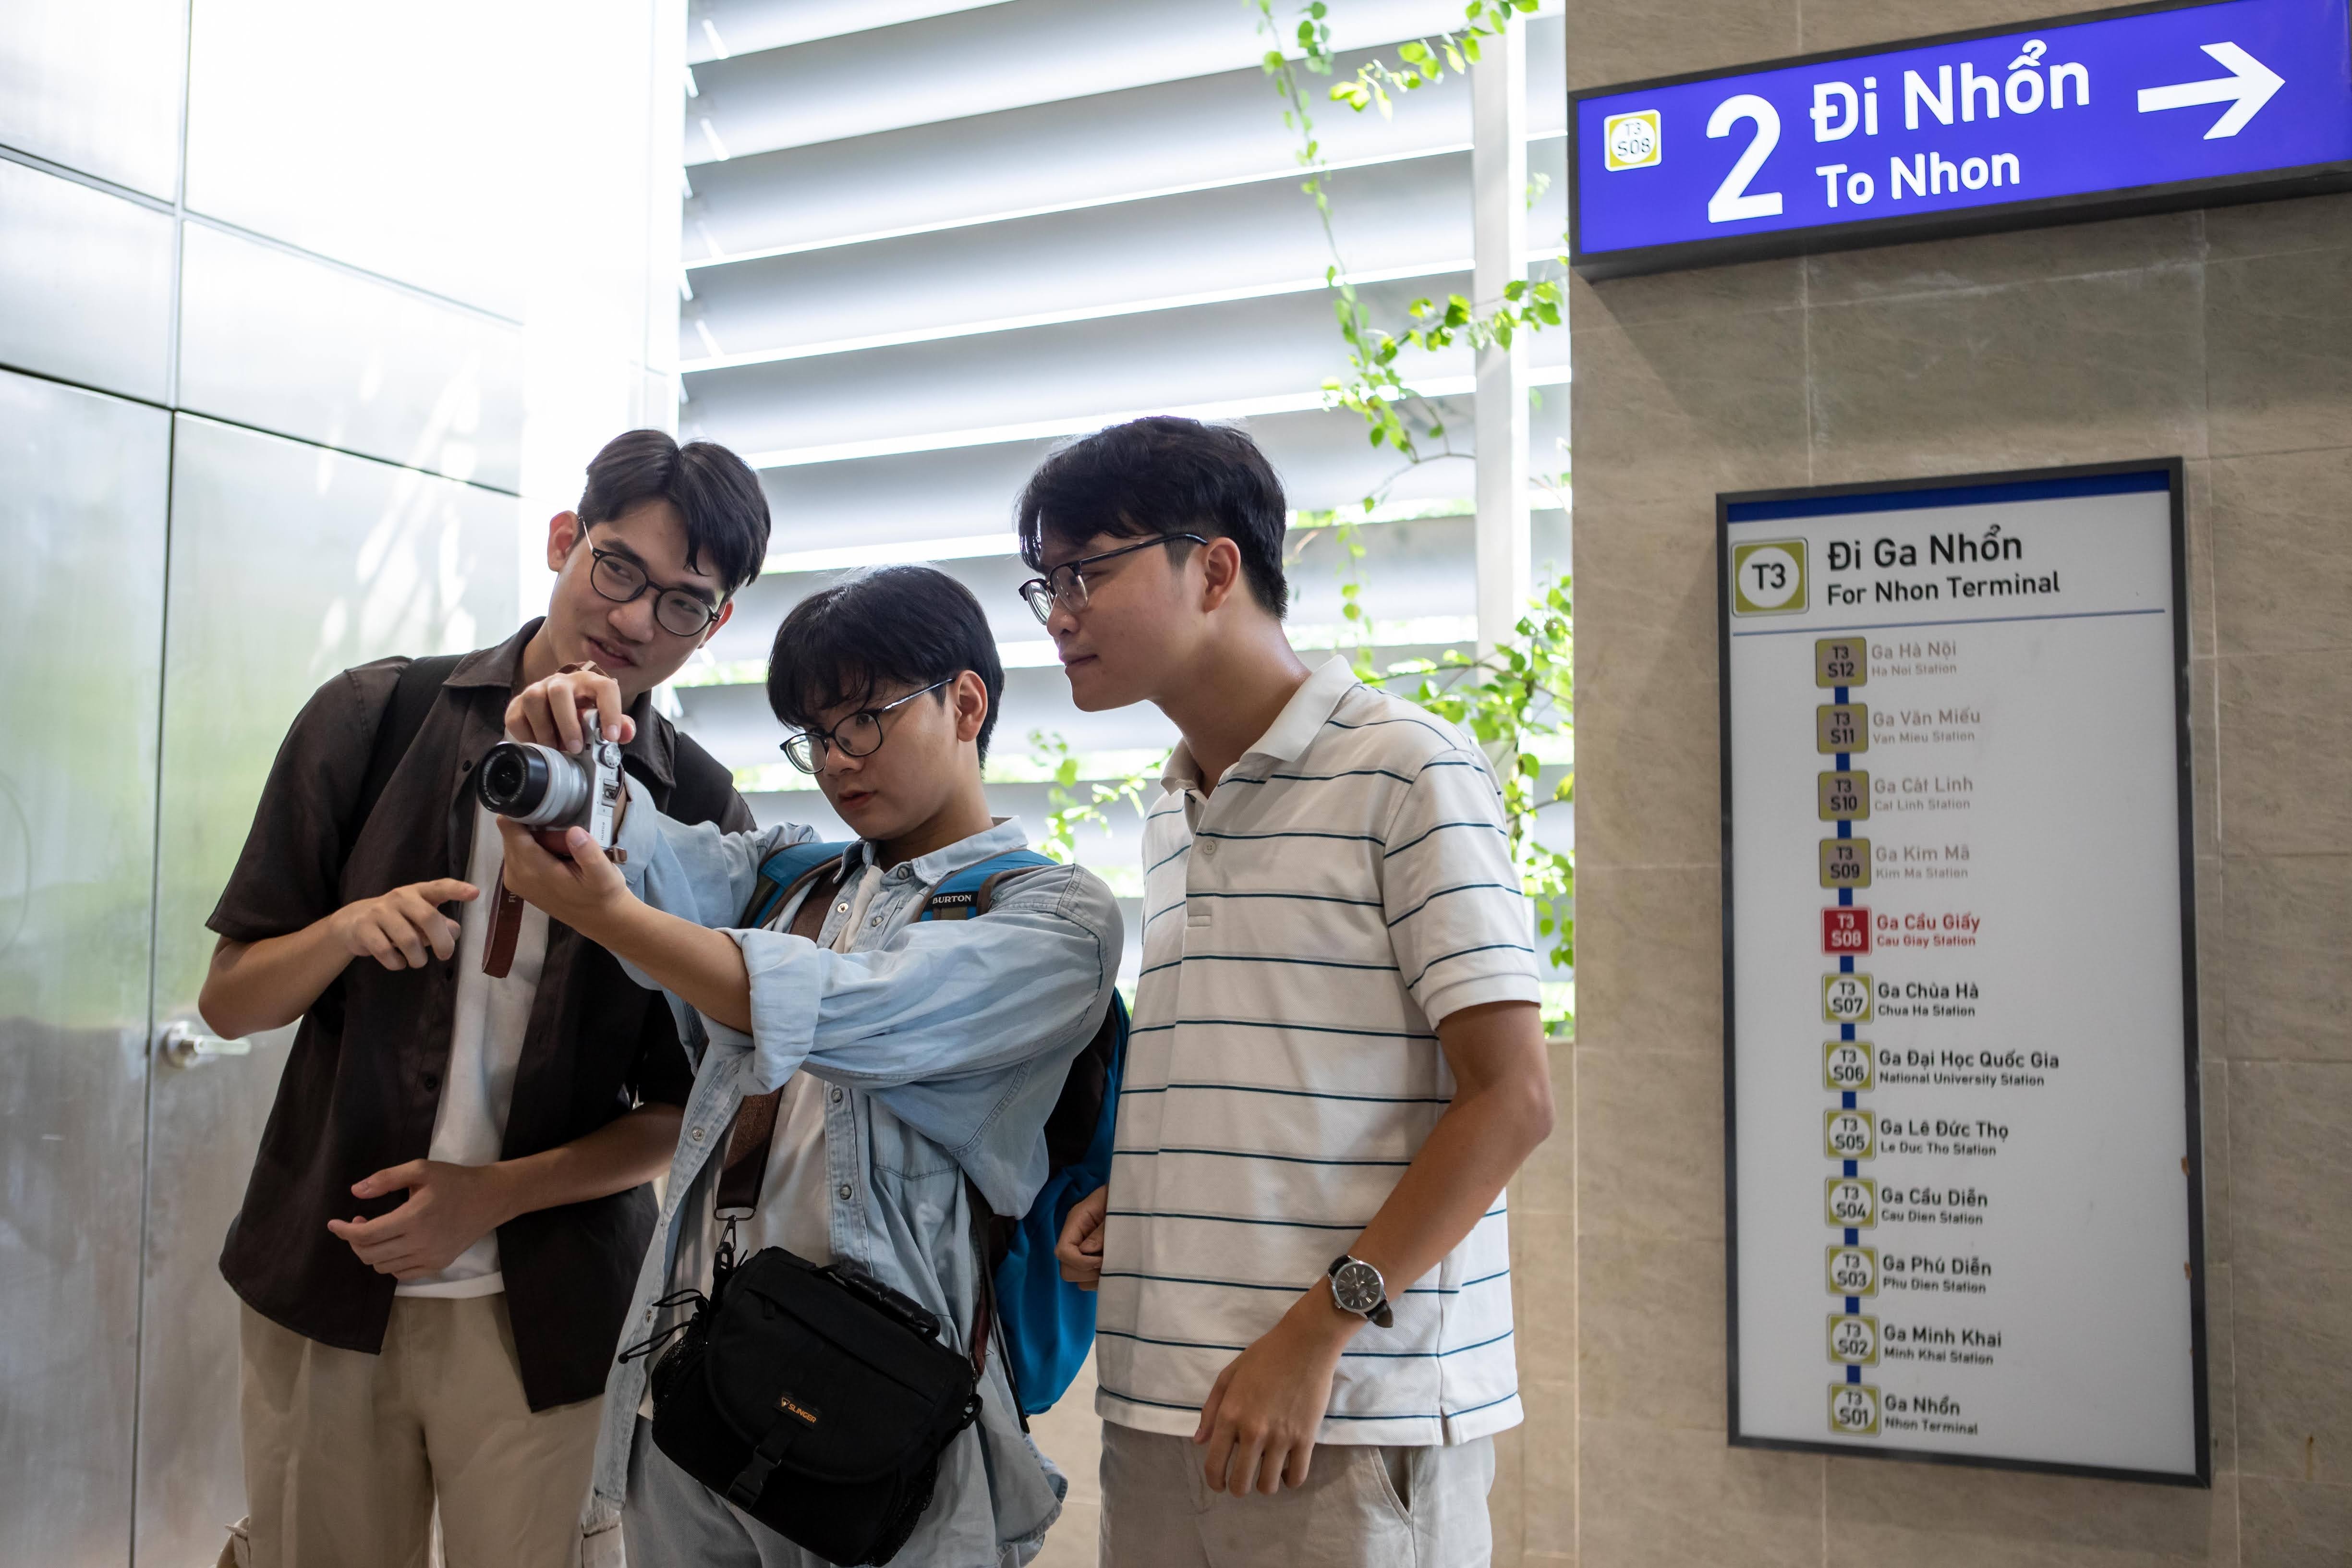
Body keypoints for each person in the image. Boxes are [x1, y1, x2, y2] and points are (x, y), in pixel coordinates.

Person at [196, 429, 771, 1568]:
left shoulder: (700, 810)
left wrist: (489, 1195)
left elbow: (682, 1110)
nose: (636, 620)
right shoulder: (374, 717)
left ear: (715, 626)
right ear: (566, 539)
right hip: (327, 1278)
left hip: (552, 1318)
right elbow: (230, 1002)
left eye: (683, 604)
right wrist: (343, 931)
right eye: (618, 568)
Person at [492, 565, 1123, 1568]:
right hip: (699, 1378)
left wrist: (608, 915)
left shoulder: (1055, 918)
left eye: (863, 719)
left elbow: (855, 1012)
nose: (836, 758)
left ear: (966, 701)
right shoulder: (787, 873)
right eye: (816, 733)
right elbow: (646, 850)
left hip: (894, 1410)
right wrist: (568, 754)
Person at [1026, 417, 1556, 1567]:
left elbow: (1511, 1099)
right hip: (1165, 1410)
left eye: (1087, 570)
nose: (1058, 611)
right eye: (1045, 581)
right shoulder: (1177, 801)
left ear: (1214, 566)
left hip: (1346, 1417)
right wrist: (1154, 1203)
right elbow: (1286, 1077)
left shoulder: (1408, 766)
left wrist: (1318, 1329)